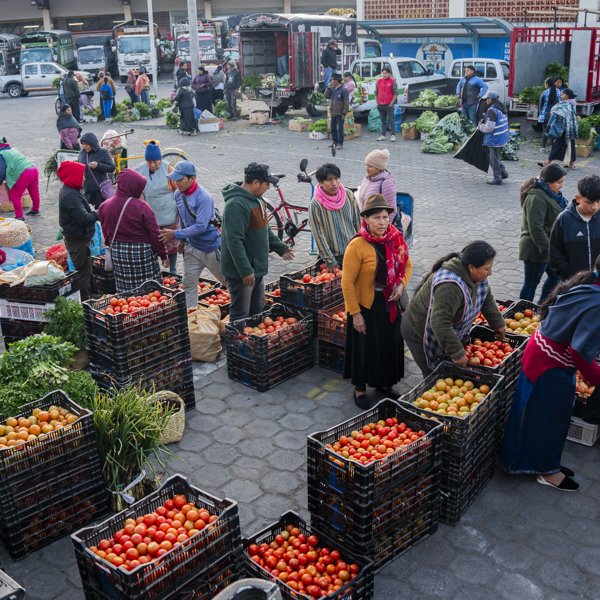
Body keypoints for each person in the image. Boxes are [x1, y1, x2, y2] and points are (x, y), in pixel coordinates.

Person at [500, 256, 600, 491]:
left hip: (542, 352)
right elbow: (579, 351)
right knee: (550, 419)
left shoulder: (590, 283)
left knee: (538, 415)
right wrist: (596, 377)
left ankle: (543, 463)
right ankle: (546, 471)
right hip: (550, 363)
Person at [342, 194, 413, 409]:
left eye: (385, 217)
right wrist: (356, 314)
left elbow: (407, 266)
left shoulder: (396, 238)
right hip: (365, 305)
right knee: (365, 347)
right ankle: (360, 389)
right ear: (366, 220)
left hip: (390, 303)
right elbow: (347, 283)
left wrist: (401, 285)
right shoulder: (357, 245)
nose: (382, 222)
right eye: (376, 218)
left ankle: (383, 384)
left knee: (387, 344)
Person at [402, 241, 506, 378]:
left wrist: (497, 322)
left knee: (446, 372)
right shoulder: (451, 285)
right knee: (435, 377)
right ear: (471, 267)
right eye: (487, 269)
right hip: (418, 330)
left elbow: (486, 297)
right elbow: (440, 322)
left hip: (440, 328)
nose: (490, 273)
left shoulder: (476, 277)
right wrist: (456, 352)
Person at [220, 163, 295, 323]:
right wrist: (245, 270)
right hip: (242, 273)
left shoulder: (257, 200)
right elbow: (234, 241)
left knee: (257, 311)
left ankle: (252, 344)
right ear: (255, 183)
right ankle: (238, 345)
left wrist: (281, 248)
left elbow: (265, 231)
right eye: (266, 183)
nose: (268, 187)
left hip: (256, 269)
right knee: (240, 314)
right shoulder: (236, 205)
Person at [160, 161, 227, 308]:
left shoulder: (204, 197)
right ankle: (191, 317)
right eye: (175, 179)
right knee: (188, 285)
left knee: (228, 283)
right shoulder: (178, 194)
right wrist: (183, 240)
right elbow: (183, 217)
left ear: (192, 178)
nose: (177, 183)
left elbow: (201, 227)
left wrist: (176, 234)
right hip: (192, 249)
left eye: (180, 179)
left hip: (211, 248)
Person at [98, 168, 168, 293]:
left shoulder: (104, 206)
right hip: (142, 254)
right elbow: (155, 233)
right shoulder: (142, 206)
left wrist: (112, 247)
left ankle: (127, 310)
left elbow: (106, 233)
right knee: (150, 290)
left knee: (125, 289)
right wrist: (163, 255)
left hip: (118, 253)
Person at [518, 164, 567, 302]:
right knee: (531, 283)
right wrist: (550, 251)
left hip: (547, 248)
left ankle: (541, 306)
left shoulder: (551, 195)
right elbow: (536, 229)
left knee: (556, 278)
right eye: (559, 182)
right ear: (547, 181)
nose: (561, 186)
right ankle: (523, 311)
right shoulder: (537, 198)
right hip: (536, 250)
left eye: (562, 182)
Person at [57, 160, 99, 300]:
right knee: (83, 270)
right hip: (77, 239)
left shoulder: (72, 190)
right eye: (82, 176)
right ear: (73, 177)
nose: (85, 178)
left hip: (79, 237)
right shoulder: (70, 195)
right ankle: (84, 299)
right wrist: (98, 213)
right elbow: (83, 219)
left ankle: (86, 294)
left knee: (86, 268)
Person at [136, 141, 179, 275]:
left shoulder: (168, 169)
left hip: (168, 215)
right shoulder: (140, 169)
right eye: (149, 162)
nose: (153, 165)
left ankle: (172, 270)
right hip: (150, 216)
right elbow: (135, 186)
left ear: (161, 159)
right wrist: (140, 193)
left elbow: (178, 190)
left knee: (171, 244)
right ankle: (154, 271)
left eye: (156, 161)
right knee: (152, 244)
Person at [309, 163, 360, 272]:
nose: (334, 183)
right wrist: (329, 260)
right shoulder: (316, 204)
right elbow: (318, 234)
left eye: (336, 178)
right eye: (329, 180)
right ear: (321, 183)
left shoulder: (348, 195)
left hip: (353, 251)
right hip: (333, 257)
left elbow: (358, 222)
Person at [549, 173, 600, 281]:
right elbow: (555, 252)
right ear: (578, 199)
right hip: (573, 283)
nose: (595, 207)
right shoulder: (564, 219)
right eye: (589, 202)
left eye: (598, 201)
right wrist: (568, 275)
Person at [0, 138, 41, 220]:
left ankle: (19, 216)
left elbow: (2, 171)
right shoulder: (13, 149)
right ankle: (35, 209)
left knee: (14, 195)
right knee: (34, 191)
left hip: (24, 172)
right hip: (33, 168)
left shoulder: (1, 153)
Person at [542, 89, 578, 170]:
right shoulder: (569, 103)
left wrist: (555, 112)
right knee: (569, 145)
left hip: (564, 128)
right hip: (566, 128)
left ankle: (548, 162)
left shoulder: (569, 104)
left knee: (557, 144)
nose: (561, 96)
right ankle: (572, 163)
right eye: (561, 95)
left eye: (563, 95)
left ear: (567, 96)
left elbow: (562, 112)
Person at [478, 91, 509, 185]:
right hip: (502, 137)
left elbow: (489, 128)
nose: (487, 101)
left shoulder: (492, 110)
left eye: (487, 99)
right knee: (496, 157)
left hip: (495, 139)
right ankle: (503, 173)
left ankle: (497, 179)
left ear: (490, 100)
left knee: (493, 160)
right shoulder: (502, 108)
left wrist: (480, 127)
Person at [358, 149, 397, 223]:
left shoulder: (387, 184)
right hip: (365, 224)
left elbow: (391, 210)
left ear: (379, 168)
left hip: (377, 227)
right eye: (366, 165)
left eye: (370, 166)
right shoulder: (366, 179)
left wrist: (383, 229)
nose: (366, 168)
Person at [78, 132, 115, 209]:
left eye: (87, 144)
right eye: (83, 144)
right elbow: (79, 167)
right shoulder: (82, 153)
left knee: (101, 213)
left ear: (92, 144)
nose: (84, 147)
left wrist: (98, 165)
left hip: (100, 191)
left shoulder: (102, 152)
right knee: (89, 213)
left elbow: (111, 167)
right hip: (87, 190)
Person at [324, 72, 349, 151]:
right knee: (333, 128)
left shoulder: (343, 90)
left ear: (337, 81)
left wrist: (344, 113)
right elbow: (326, 96)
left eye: (333, 80)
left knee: (340, 129)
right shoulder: (333, 89)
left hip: (340, 113)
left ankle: (340, 143)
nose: (332, 81)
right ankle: (334, 141)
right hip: (333, 112)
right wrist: (328, 88)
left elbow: (346, 103)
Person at [376, 67, 398, 143]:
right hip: (380, 104)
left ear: (389, 74)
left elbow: (396, 93)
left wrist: (391, 104)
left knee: (391, 120)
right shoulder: (379, 81)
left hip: (389, 104)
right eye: (383, 73)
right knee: (383, 120)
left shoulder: (393, 82)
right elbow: (376, 92)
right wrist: (377, 103)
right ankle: (383, 135)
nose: (384, 75)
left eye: (386, 73)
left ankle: (393, 135)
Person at [538, 77, 559, 151]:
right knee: (554, 130)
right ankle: (553, 147)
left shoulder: (544, 93)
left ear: (547, 84)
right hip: (556, 114)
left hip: (546, 114)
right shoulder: (559, 92)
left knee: (545, 131)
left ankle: (543, 147)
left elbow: (540, 105)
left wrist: (541, 114)